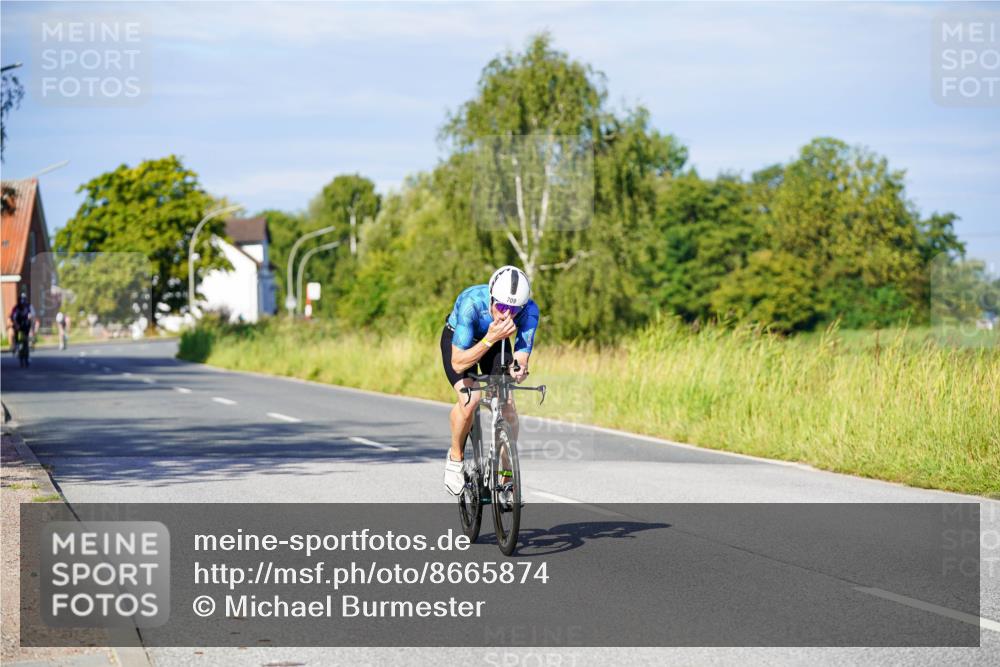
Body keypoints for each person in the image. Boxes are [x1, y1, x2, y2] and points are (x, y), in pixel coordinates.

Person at [440, 266, 539, 495]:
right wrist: (488, 338)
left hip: (496, 341)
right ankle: (455, 458)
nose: (506, 315)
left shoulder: (530, 311)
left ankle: (506, 474)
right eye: (502, 306)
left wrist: (519, 368)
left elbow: (522, 354)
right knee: (471, 399)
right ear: (492, 297)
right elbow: (458, 363)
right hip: (461, 342)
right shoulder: (471, 302)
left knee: (508, 405)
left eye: (514, 310)